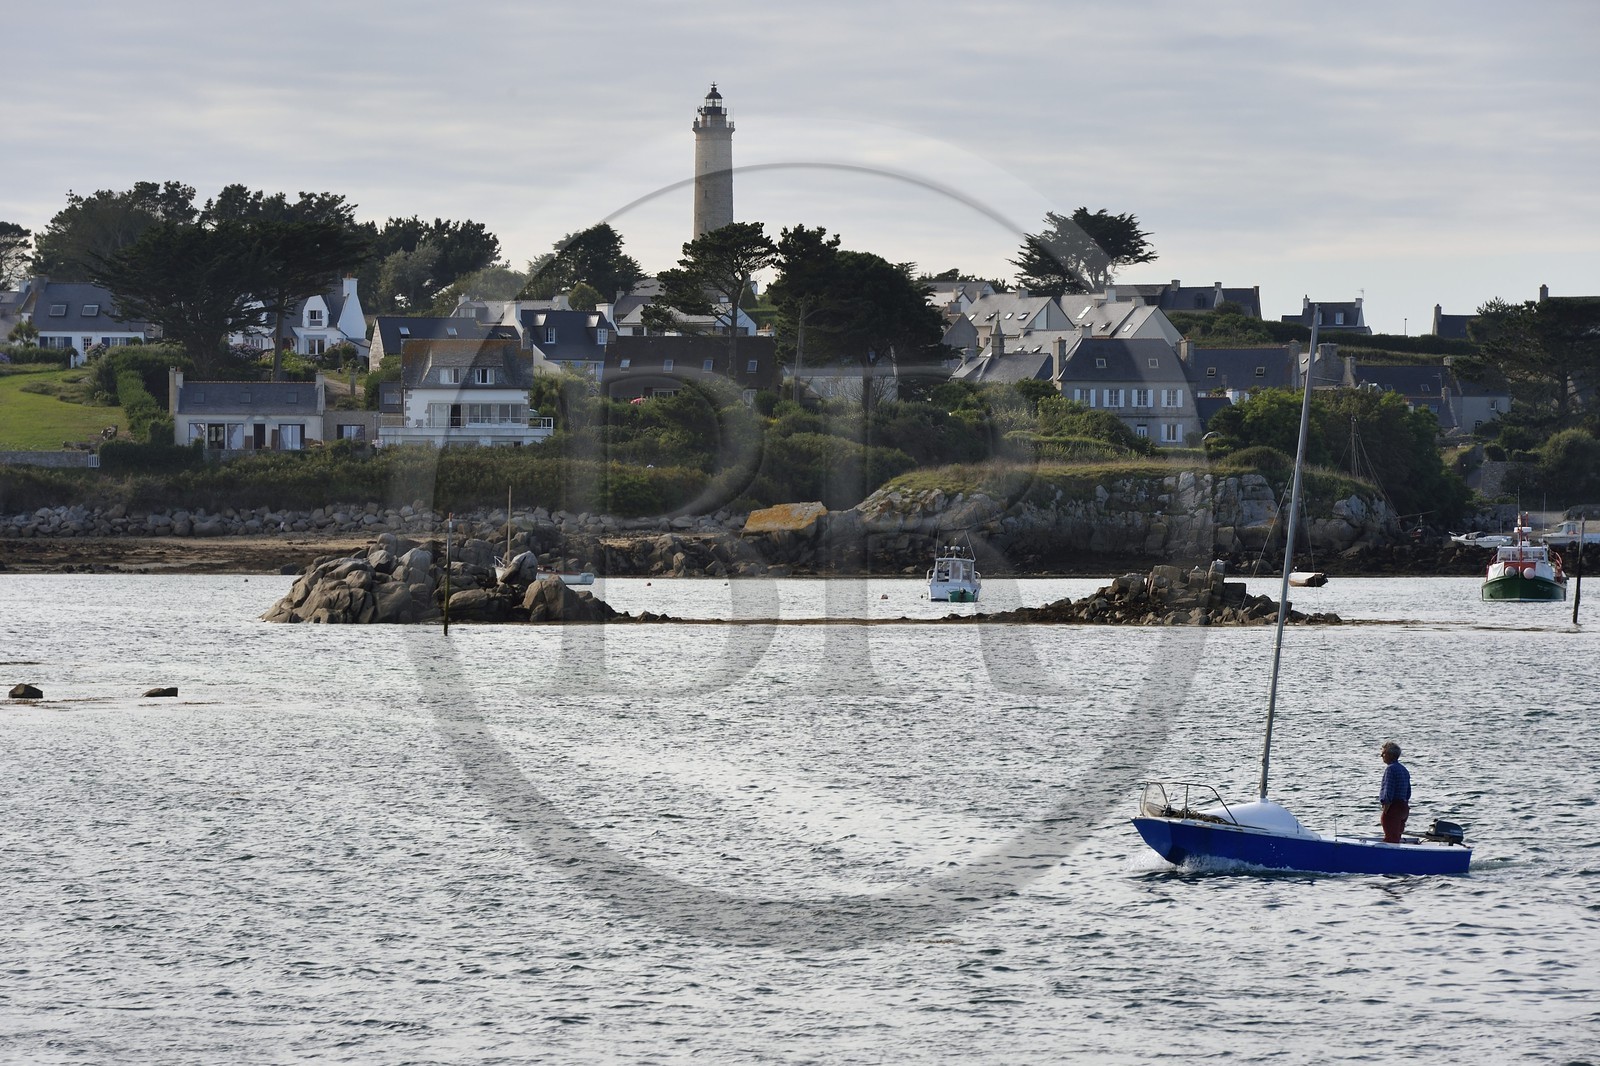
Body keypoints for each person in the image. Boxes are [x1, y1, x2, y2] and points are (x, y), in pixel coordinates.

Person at [1378, 741, 1411, 843]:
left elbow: (1388, 789)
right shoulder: (1404, 769)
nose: (1381, 755)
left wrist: (1386, 806)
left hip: (1394, 808)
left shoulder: (1390, 769)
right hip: (1404, 807)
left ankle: (1387, 857)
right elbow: (1408, 792)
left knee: (1391, 838)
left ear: (1390, 755)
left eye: (1383, 753)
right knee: (1397, 836)